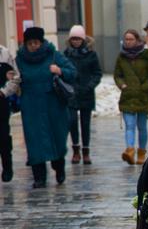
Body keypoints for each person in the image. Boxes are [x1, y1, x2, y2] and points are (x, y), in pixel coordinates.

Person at [16, 27, 76, 188]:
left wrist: (60, 70)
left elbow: (72, 71)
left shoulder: (53, 55)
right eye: (30, 43)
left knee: (56, 138)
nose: (33, 46)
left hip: (53, 105)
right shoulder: (20, 59)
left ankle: (59, 168)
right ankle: (39, 177)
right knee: (35, 142)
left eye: (36, 42)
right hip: (31, 107)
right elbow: (14, 77)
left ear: (41, 42)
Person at [114, 29, 148, 165]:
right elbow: (117, 75)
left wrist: (144, 87)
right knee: (129, 125)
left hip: (143, 96)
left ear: (137, 40)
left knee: (142, 126)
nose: (128, 41)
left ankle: (142, 152)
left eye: (131, 39)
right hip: (127, 96)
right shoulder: (121, 56)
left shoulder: (147, 55)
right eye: (126, 39)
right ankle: (130, 150)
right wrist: (122, 85)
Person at [64, 25, 102, 165]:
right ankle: (75, 150)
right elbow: (63, 72)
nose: (75, 41)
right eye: (73, 39)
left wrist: (90, 86)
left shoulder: (91, 54)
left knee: (85, 123)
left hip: (86, 93)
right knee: (72, 121)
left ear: (83, 39)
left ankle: (86, 151)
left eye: (78, 39)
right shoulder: (66, 54)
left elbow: (97, 73)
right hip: (71, 94)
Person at [0, 45, 20, 182]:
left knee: (3, 136)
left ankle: (7, 167)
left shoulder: (4, 53)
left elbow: (16, 77)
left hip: (1, 101)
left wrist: (4, 91)